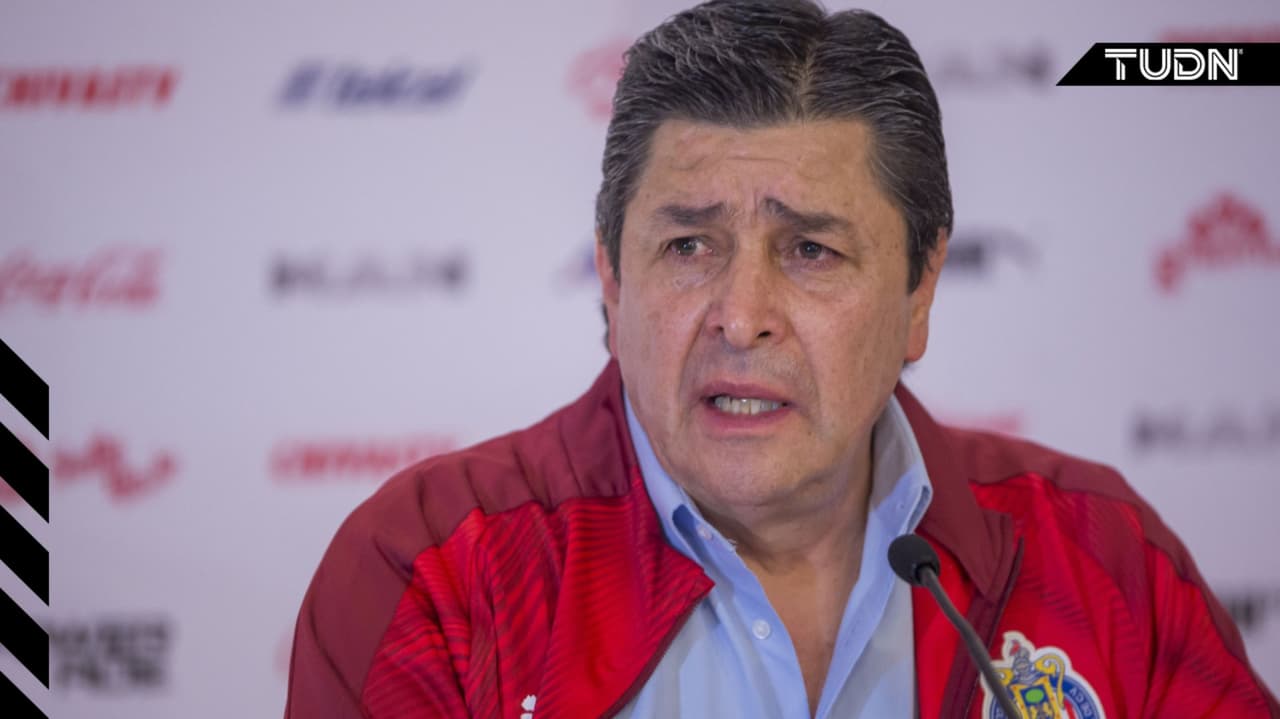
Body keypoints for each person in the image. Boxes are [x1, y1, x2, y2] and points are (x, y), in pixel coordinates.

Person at [285, 1, 1279, 717]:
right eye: (688, 245)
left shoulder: (1100, 559)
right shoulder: (439, 575)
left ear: (919, 291)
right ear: (612, 280)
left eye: (810, 250)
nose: (741, 316)